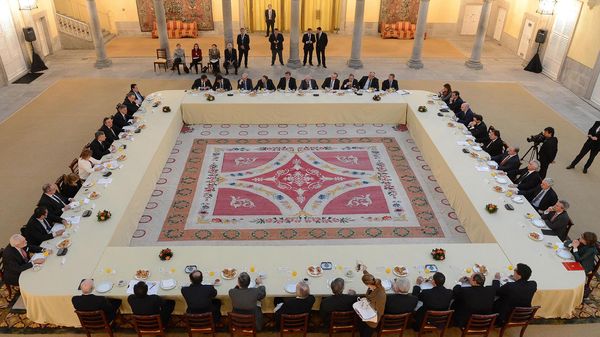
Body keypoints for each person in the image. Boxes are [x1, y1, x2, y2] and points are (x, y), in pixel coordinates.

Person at [357, 270, 386, 337]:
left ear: (368, 284)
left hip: (372, 320)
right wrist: (364, 270)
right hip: (365, 315)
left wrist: (367, 302)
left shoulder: (380, 294)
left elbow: (380, 311)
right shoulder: (373, 283)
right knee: (361, 329)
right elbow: (369, 276)